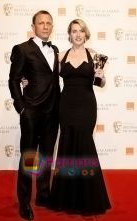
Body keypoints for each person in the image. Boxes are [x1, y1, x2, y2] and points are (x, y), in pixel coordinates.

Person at [48, 19, 111, 216]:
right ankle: (66, 198)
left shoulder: (94, 55)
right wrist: (27, 82)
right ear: (69, 34)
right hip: (66, 106)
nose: (77, 34)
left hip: (86, 106)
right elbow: (48, 79)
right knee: (67, 145)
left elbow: (100, 83)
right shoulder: (60, 56)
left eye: (81, 31)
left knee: (84, 146)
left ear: (86, 34)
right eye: (74, 31)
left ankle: (88, 198)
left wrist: (100, 76)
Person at [8, 10, 60, 220]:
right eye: (41, 23)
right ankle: (24, 203)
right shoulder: (22, 49)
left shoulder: (55, 50)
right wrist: (21, 107)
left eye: (48, 23)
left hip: (52, 113)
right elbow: (13, 79)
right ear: (34, 26)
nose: (45, 26)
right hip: (31, 113)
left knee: (46, 157)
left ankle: (44, 195)